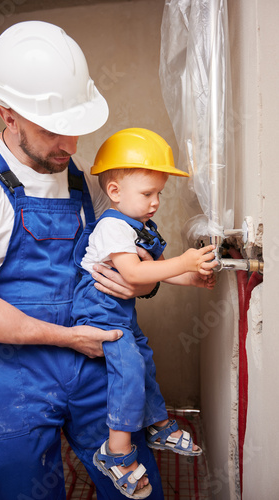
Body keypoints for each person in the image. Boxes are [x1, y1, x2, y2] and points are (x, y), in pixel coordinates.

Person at [0, 21, 167, 500]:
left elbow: (124, 260)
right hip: (9, 376)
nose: (72, 147)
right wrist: (68, 338)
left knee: (136, 488)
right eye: (54, 130)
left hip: (93, 361)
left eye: (77, 129)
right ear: (8, 115)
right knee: (23, 491)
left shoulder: (86, 182)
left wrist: (144, 283)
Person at [71, 128, 217, 498]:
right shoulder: (112, 227)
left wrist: (191, 279)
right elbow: (135, 273)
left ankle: (157, 425)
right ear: (116, 192)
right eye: (147, 193)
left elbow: (158, 270)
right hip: (99, 314)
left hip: (121, 314)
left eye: (159, 194)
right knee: (130, 370)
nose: (155, 202)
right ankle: (115, 451)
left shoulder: (140, 228)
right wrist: (185, 261)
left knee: (145, 361)